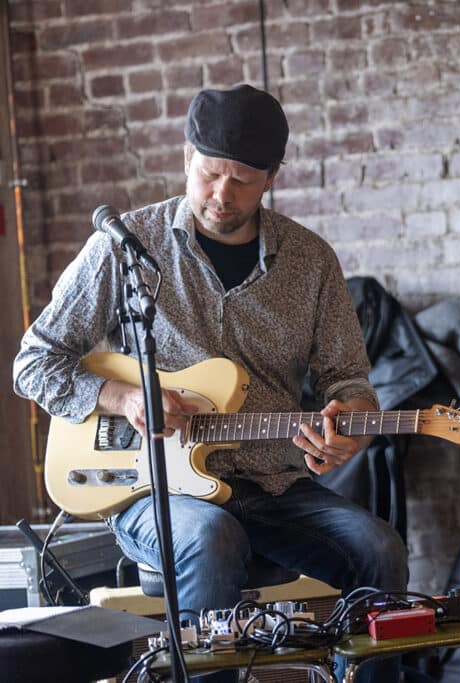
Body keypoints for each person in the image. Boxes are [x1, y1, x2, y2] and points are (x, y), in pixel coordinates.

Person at [13, 84, 407, 682]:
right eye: (209, 173)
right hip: (153, 490)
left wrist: (349, 423)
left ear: (272, 176)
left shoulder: (312, 262)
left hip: (275, 485)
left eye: (243, 179)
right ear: (187, 158)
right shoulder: (124, 247)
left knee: (380, 548)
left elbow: (347, 378)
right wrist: (123, 398)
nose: (221, 194)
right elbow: (34, 361)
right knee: (212, 537)